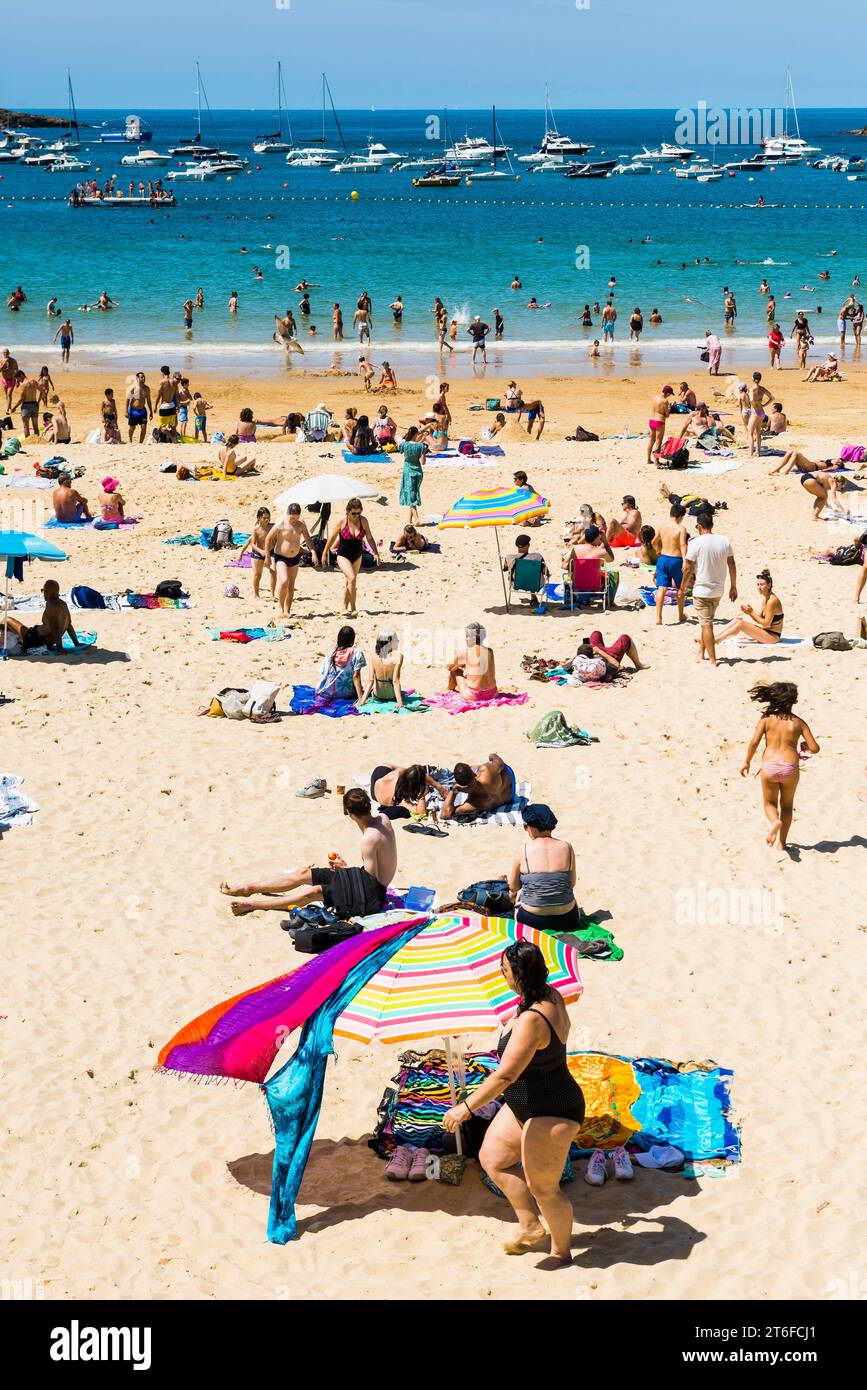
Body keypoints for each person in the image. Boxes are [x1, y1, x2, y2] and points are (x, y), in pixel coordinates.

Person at [442, 940, 586, 1265]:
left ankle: (561, 1253)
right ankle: (530, 1225)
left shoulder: (535, 1018)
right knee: (493, 1159)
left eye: (504, 970)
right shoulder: (546, 995)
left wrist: (465, 1107)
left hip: (552, 1111)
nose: (501, 975)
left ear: (518, 976)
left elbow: (505, 1076)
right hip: (524, 1104)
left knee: (544, 1189)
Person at [222, 789, 396, 918]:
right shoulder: (383, 818)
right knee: (303, 873)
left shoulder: (369, 838)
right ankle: (248, 888)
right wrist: (346, 871)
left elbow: (371, 880)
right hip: (365, 879)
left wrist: (345, 869)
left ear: (349, 813)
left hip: (373, 894)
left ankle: (253, 904)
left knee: (313, 892)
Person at [740, 682, 819, 851]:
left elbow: (754, 742)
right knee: (787, 805)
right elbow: (815, 748)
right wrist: (803, 745)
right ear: (794, 701)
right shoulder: (799, 723)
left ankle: (775, 821)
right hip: (790, 768)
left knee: (769, 803)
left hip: (769, 767)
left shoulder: (767, 719)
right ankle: (782, 843)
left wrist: (746, 761)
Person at [507, 805, 581, 931]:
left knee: (516, 896)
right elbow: (572, 883)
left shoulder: (523, 849)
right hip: (567, 919)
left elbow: (514, 887)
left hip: (532, 920)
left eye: (526, 826)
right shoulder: (567, 847)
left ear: (531, 827)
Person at [682, 510, 737, 666]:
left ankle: (713, 659)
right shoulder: (724, 541)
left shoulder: (695, 543)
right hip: (718, 590)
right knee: (706, 622)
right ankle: (701, 652)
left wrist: (682, 587)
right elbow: (731, 564)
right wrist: (733, 586)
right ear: (712, 524)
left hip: (702, 590)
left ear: (698, 526)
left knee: (707, 625)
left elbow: (688, 568)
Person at [324, 499, 381, 617]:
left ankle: (344, 608)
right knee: (352, 578)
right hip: (343, 555)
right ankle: (353, 608)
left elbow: (369, 538)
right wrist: (324, 553)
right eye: (353, 513)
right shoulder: (342, 522)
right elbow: (332, 538)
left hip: (357, 555)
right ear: (348, 511)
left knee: (350, 582)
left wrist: (376, 553)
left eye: (358, 513)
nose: (356, 516)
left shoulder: (363, 521)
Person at [265, 502, 319, 618]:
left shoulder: (301, 524)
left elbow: (308, 539)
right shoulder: (281, 522)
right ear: (288, 514)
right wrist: (267, 556)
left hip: (295, 557)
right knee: (284, 581)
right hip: (281, 556)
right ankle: (280, 606)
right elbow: (268, 538)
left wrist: (313, 552)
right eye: (292, 518)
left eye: (296, 518)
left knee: (291, 585)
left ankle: (287, 610)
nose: (294, 520)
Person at [5, 579, 81, 654]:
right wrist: (76, 643)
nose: (42, 593)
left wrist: (59, 648)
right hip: (42, 639)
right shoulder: (64, 604)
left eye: (43, 590)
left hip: (35, 640)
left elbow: (54, 627)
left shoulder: (50, 604)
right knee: (23, 628)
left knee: (6, 620)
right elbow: (69, 625)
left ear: (47, 592)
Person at [715, 568, 784, 646]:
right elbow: (760, 620)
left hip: (773, 636)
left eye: (762, 584)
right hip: (766, 632)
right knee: (737, 620)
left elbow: (766, 624)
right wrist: (749, 613)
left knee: (741, 624)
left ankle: (715, 641)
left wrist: (751, 613)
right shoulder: (766, 599)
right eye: (758, 584)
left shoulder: (772, 601)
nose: (759, 587)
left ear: (769, 585)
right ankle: (714, 637)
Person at [440, 752, 516, 820]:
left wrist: (454, 790)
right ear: (472, 772)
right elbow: (500, 763)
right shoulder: (487, 772)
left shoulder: (474, 802)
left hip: (504, 798)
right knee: (484, 767)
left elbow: (445, 815)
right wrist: (492, 755)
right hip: (510, 785)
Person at [654, 501, 689, 624]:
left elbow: (654, 541)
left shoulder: (662, 527)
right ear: (680, 517)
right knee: (680, 588)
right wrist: (685, 561)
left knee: (661, 589)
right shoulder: (681, 528)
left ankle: (658, 617)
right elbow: (682, 544)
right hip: (676, 559)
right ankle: (680, 615)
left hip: (663, 558)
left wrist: (658, 551)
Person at [446, 621, 497, 702]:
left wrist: (457, 657)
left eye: (467, 636)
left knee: (456, 670)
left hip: (474, 695)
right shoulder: (490, 651)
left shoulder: (465, 652)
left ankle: (450, 689)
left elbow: (449, 667)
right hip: (493, 693)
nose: (465, 639)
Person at [315, 624, 367, 702]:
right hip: (346, 693)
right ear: (352, 639)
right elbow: (356, 676)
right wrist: (361, 698)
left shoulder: (331, 653)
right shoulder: (357, 654)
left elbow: (324, 672)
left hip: (328, 692)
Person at [571, 631, 646, 682]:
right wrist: (599, 651)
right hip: (608, 655)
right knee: (625, 638)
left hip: (591, 654)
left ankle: (590, 649)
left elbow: (566, 664)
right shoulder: (598, 664)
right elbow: (617, 665)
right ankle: (638, 664)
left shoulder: (577, 665)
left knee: (596, 633)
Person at [359, 629, 405, 709]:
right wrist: (400, 703)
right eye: (395, 639)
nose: (398, 641)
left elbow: (370, 680)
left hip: (378, 696)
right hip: (392, 696)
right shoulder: (398, 656)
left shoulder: (373, 656)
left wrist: (362, 701)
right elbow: (395, 681)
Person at [238, 507, 277, 601]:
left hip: (270, 552)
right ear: (259, 518)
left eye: (268, 517)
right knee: (257, 575)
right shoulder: (256, 530)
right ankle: (256, 594)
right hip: (258, 553)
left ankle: (272, 594)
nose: (267, 519)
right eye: (264, 518)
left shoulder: (273, 527)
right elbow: (252, 544)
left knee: (273, 572)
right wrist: (260, 551)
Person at [503, 533, 548, 605]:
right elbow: (546, 572)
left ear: (516, 545)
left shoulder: (509, 558)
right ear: (528, 545)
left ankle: (532, 596)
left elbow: (505, 568)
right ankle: (533, 595)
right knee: (532, 576)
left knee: (522, 574)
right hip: (536, 585)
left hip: (517, 584)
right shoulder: (537, 557)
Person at [398, 426, 427, 525]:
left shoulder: (404, 445)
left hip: (408, 471)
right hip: (418, 471)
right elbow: (423, 462)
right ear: (416, 434)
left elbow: (400, 448)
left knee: (411, 496)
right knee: (414, 493)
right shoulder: (421, 446)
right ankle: (409, 520)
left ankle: (416, 518)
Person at [647, 384, 675, 464]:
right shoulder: (665, 401)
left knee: (651, 440)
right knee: (658, 442)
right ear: (667, 393)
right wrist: (670, 408)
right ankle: (657, 461)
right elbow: (667, 415)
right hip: (660, 421)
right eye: (670, 394)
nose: (669, 396)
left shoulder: (655, 397)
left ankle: (648, 459)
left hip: (651, 420)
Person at [748, 371, 773, 457]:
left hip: (755, 412)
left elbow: (751, 399)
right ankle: (758, 452)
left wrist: (754, 405)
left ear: (753, 379)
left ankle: (750, 453)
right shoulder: (762, 389)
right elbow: (772, 397)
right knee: (758, 432)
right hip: (762, 411)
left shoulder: (752, 389)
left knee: (750, 433)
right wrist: (764, 404)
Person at [10, 371, 41, 438]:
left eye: (17, 379)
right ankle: (37, 440)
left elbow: (22, 399)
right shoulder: (34, 381)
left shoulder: (23, 384)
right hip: (35, 404)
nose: (18, 381)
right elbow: (42, 391)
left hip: (26, 406)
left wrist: (14, 407)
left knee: (26, 426)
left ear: (21, 375)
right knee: (35, 426)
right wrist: (38, 402)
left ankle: (28, 441)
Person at [126, 371, 152, 442]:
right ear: (137, 378)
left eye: (144, 377)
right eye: (141, 377)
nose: (143, 378)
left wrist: (151, 412)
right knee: (132, 428)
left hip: (142, 411)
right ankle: (130, 440)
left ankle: (140, 442)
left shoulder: (147, 389)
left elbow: (149, 401)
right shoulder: (133, 388)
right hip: (133, 411)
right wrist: (126, 411)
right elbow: (128, 400)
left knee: (144, 427)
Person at [769, 449, 834, 476]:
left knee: (796, 453)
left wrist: (822, 471)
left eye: (839, 462)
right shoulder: (824, 461)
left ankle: (786, 471)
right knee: (790, 452)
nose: (838, 460)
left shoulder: (835, 465)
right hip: (806, 466)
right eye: (838, 459)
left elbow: (832, 469)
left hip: (812, 467)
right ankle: (777, 469)